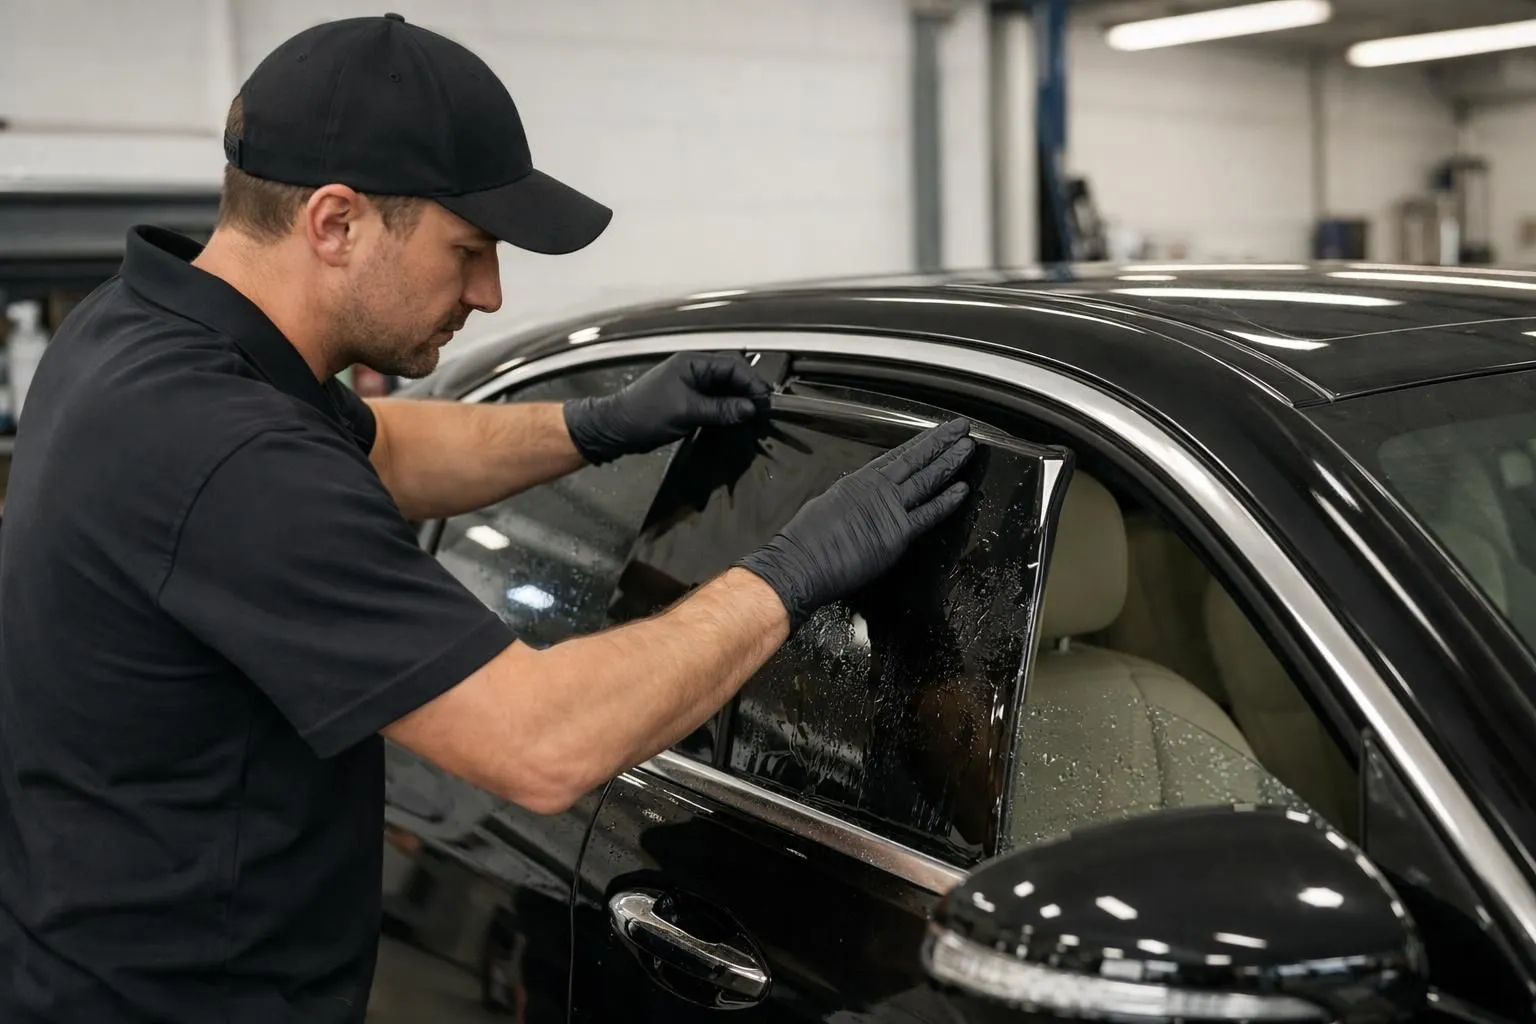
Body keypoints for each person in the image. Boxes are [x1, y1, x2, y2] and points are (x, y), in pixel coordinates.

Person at [0, 13, 976, 1024]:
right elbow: (539, 742)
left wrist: (599, 425)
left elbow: (383, 447)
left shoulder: (136, 337)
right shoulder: (232, 452)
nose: (491, 289)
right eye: (467, 248)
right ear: (334, 223)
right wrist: (791, 572)